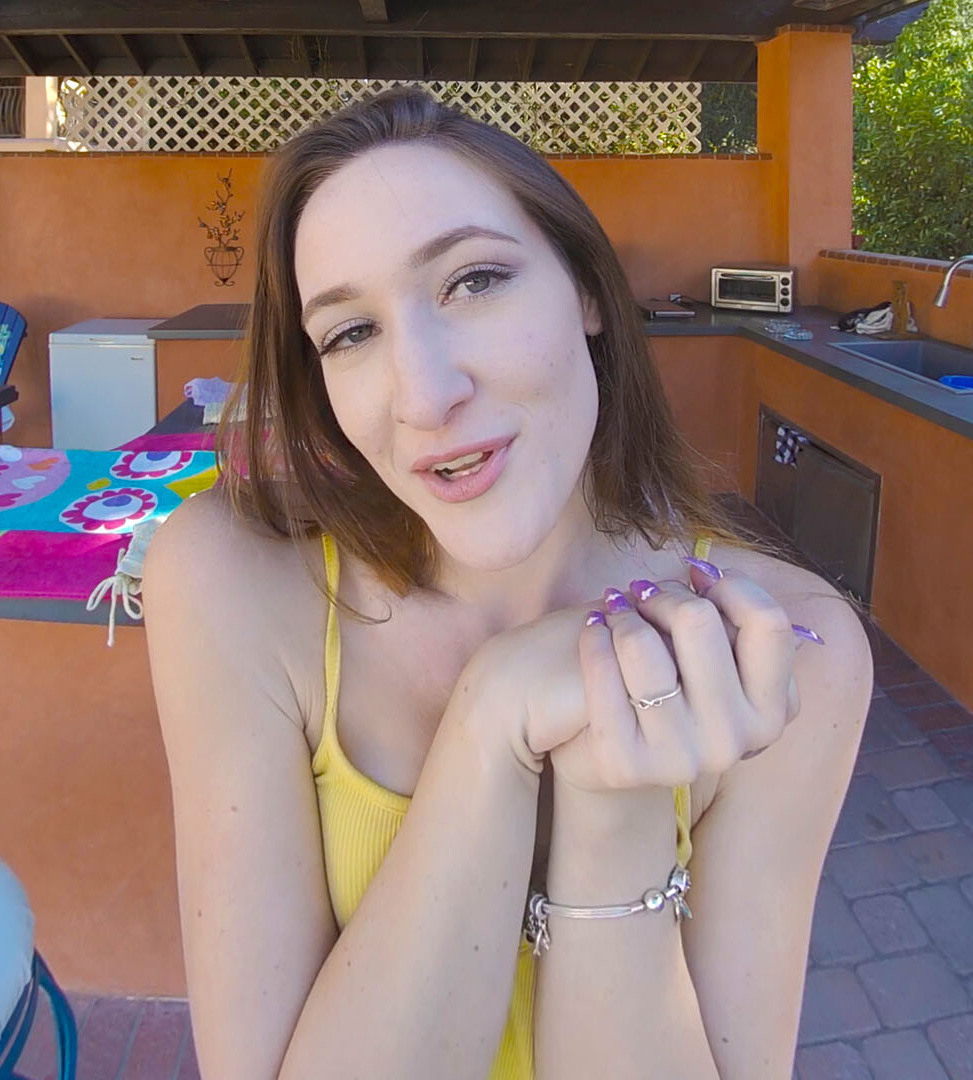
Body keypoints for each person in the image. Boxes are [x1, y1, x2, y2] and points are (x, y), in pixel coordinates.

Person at [143, 87, 872, 1080]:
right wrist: (492, 716)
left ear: (586, 291)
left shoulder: (781, 649)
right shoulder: (234, 585)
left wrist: (612, 808)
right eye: (351, 333)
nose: (424, 395)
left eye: (474, 281)